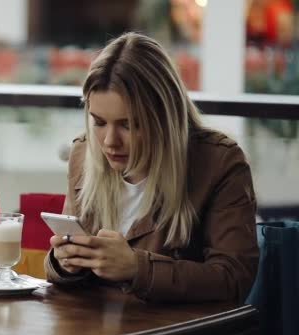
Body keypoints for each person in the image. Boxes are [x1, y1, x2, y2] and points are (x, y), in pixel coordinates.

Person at [44, 32, 259, 304]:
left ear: (164, 117)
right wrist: (65, 263)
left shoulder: (219, 162)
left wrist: (137, 268)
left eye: (129, 125)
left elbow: (234, 279)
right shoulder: (84, 154)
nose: (110, 142)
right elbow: (68, 275)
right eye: (98, 122)